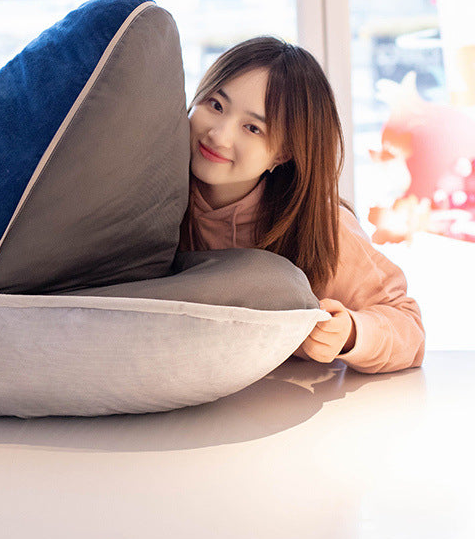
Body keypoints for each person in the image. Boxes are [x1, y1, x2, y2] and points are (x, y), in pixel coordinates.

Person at [179, 36, 425, 373]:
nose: (219, 135)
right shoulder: (154, 194)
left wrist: (350, 332)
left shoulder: (321, 226)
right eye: (216, 105)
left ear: (282, 153)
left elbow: (407, 325)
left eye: (252, 128)